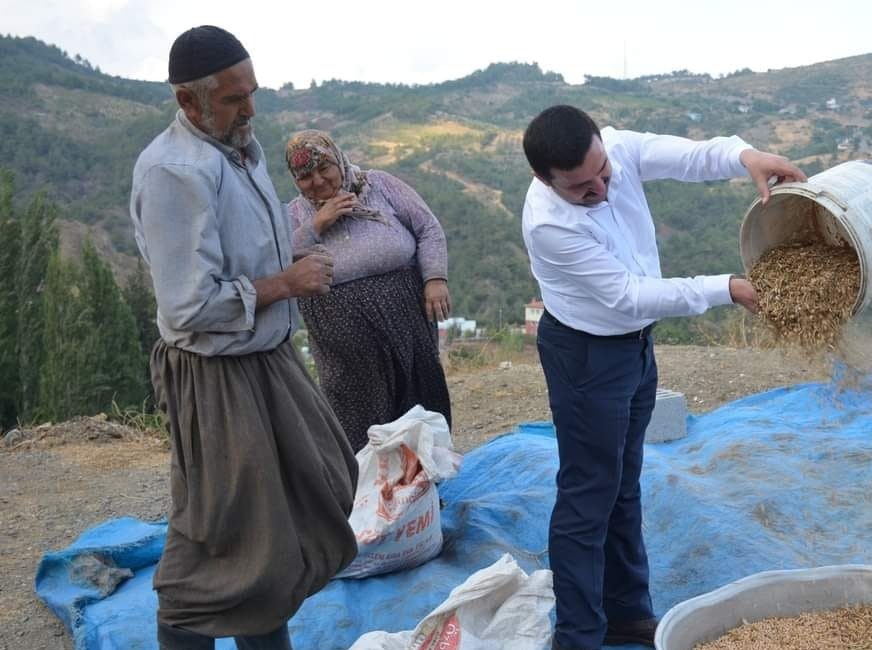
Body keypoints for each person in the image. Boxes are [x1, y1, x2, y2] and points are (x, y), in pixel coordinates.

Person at [520, 105, 806, 650]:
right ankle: (578, 635)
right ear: (545, 180)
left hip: (633, 346)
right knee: (588, 495)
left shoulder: (617, 150)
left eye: (603, 173)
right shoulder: (549, 224)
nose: (600, 189)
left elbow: (693, 157)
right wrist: (725, 287)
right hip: (586, 354)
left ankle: (628, 613)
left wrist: (745, 155)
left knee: (624, 481)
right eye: (581, 187)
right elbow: (629, 295)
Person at [129, 26, 358, 650]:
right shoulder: (174, 173)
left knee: (304, 498)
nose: (250, 109)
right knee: (220, 530)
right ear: (188, 102)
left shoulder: (238, 149)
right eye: (233, 99)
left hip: (265, 359)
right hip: (215, 373)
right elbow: (189, 304)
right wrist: (284, 283)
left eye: (250, 93)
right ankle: (186, 632)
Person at [284, 129, 452, 452]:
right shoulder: (295, 214)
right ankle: (369, 495)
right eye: (305, 176)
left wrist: (434, 278)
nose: (317, 181)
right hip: (341, 342)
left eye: (325, 169)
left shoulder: (378, 186)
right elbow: (277, 259)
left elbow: (427, 227)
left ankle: (425, 490)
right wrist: (318, 223)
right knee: (356, 416)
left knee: (419, 399)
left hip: (406, 321)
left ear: (339, 161)